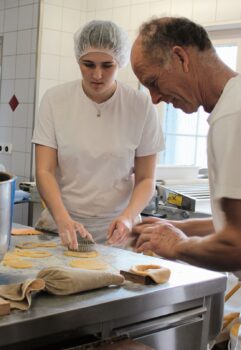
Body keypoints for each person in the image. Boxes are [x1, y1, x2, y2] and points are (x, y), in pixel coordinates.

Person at [32, 20, 164, 250]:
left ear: (120, 61)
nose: (97, 74)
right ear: (78, 59)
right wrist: (63, 219)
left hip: (119, 233)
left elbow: (146, 179)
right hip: (60, 227)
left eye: (107, 65)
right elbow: (45, 170)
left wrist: (128, 217)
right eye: (88, 64)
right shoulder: (55, 100)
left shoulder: (139, 105)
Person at [130, 16, 241, 271]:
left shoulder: (232, 116)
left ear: (181, 58)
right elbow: (233, 224)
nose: (155, 98)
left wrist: (178, 245)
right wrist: (179, 227)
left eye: (153, 82)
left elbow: (237, 245)